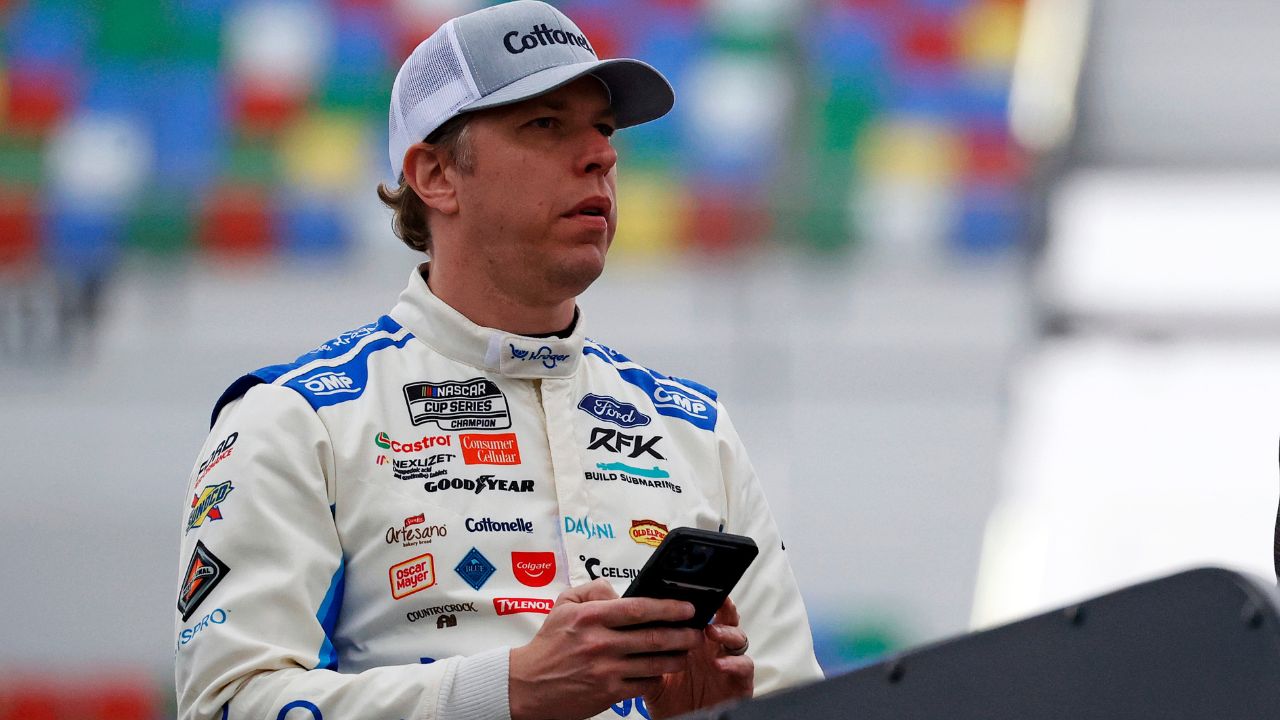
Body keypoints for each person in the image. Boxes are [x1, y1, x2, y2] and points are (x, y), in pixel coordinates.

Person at [174, 2, 823, 719]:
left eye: (603, 129)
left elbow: (803, 704)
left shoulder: (696, 431)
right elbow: (228, 704)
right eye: (545, 124)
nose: (601, 154)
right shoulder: (297, 420)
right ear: (437, 175)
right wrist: (509, 690)